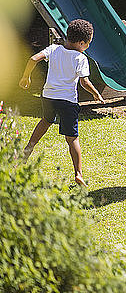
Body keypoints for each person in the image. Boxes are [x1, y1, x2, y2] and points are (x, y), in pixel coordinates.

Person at [19, 19, 105, 186]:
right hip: (68, 101)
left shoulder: (54, 49)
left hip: (49, 97)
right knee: (72, 138)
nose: (87, 46)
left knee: (45, 121)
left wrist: (25, 76)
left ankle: (26, 152)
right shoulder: (80, 58)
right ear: (81, 43)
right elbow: (84, 82)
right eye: (88, 43)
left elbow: (33, 59)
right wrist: (96, 94)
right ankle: (78, 173)